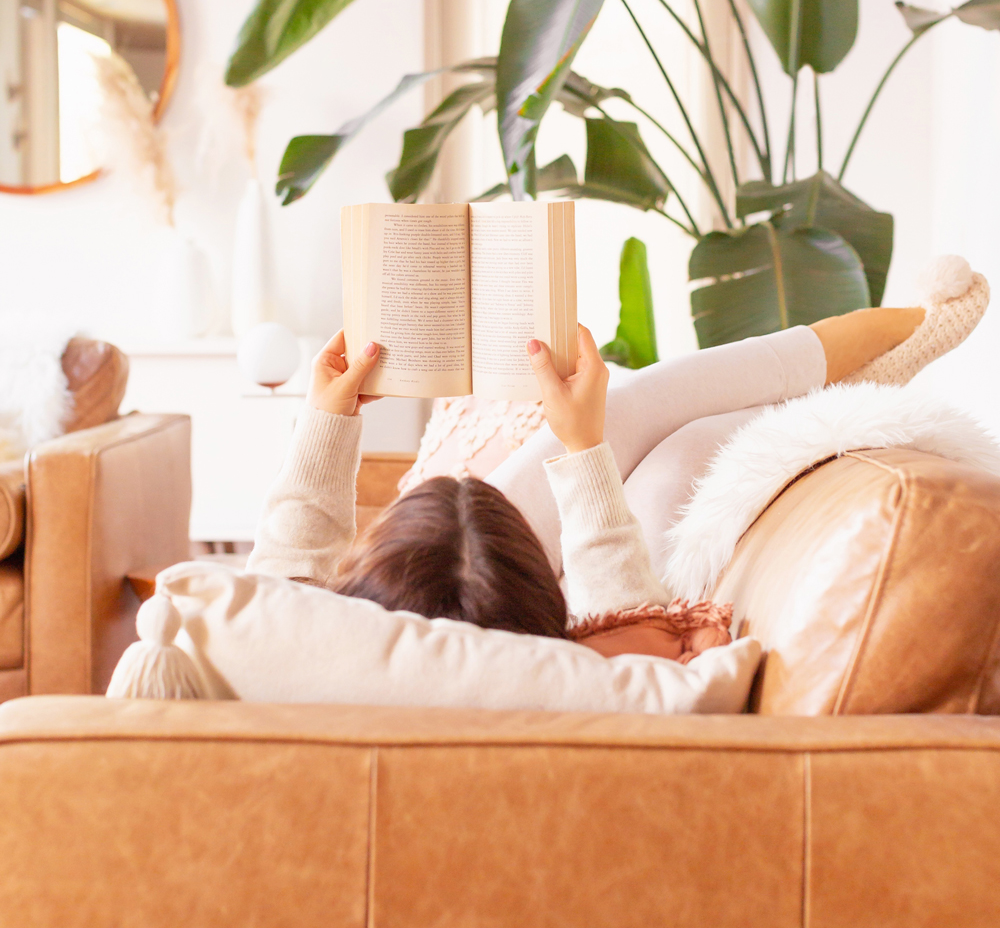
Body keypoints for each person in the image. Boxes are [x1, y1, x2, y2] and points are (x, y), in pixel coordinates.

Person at [247, 258, 989, 661]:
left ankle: (871, 356)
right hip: (502, 609)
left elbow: (283, 574)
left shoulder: (290, 649)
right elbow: (636, 643)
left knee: (665, 450)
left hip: (469, 606)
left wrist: (327, 421)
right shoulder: (586, 685)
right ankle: (895, 341)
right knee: (664, 444)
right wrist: (583, 446)